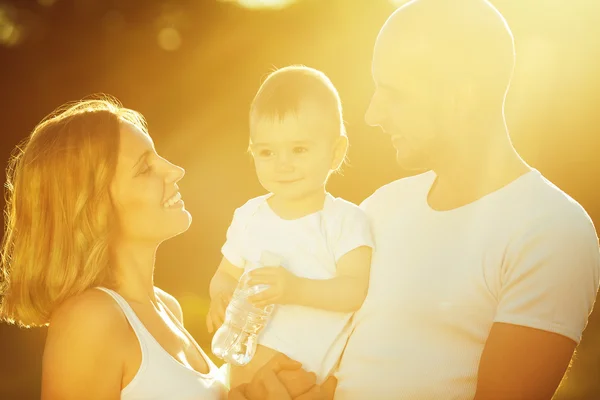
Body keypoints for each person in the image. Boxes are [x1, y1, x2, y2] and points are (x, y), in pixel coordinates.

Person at [333, 0, 600, 399]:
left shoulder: (553, 231)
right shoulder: (377, 209)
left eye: (394, 94)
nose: (373, 115)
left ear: (463, 95)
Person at [0, 97, 333, 400]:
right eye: (145, 169)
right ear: (94, 208)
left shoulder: (168, 309)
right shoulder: (90, 320)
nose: (175, 171)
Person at [207, 65, 373, 387]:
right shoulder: (249, 216)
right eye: (267, 152)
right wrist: (222, 296)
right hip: (240, 377)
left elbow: (355, 290)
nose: (282, 164)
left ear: (336, 152)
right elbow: (225, 274)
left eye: (299, 149)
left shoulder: (345, 221)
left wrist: (296, 289)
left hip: (302, 382)